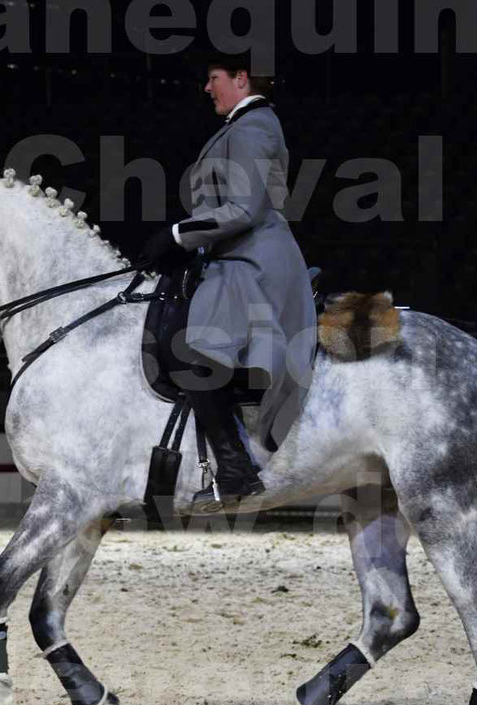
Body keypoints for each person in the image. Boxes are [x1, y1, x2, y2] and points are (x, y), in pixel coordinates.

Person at [139, 52, 317, 513]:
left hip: (253, 261)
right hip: (231, 255)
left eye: (213, 77)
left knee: (196, 346)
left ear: (241, 78)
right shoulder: (242, 126)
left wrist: (178, 235)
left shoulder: (254, 127)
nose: (207, 87)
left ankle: (236, 470)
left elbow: (244, 210)